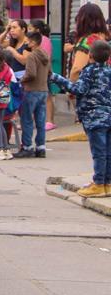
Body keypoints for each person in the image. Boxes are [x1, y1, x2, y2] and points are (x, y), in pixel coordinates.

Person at [50, 40, 111, 197]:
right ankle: (107, 183)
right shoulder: (109, 71)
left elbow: (78, 89)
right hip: (108, 117)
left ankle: (99, 184)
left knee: (99, 153)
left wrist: (56, 78)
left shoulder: (89, 71)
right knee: (108, 152)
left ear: (90, 55)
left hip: (94, 119)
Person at [14, 30, 51, 159]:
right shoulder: (45, 55)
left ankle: (27, 147)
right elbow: (50, 72)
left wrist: (21, 80)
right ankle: (41, 147)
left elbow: (31, 74)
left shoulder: (32, 56)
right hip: (43, 90)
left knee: (27, 120)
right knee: (40, 121)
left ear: (33, 42)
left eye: (28, 41)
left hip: (31, 90)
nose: (26, 43)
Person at [68, 3, 109, 82]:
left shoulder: (87, 42)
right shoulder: (105, 39)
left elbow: (77, 70)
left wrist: (72, 85)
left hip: (90, 87)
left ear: (81, 22)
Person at [28, 19, 57, 132]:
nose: (29, 30)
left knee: (47, 96)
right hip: (35, 71)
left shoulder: (45, 40)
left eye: (31, 28)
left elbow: (46, 57)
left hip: (43, 72)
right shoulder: (32, 40)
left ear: (38, 30)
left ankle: (50, 121)